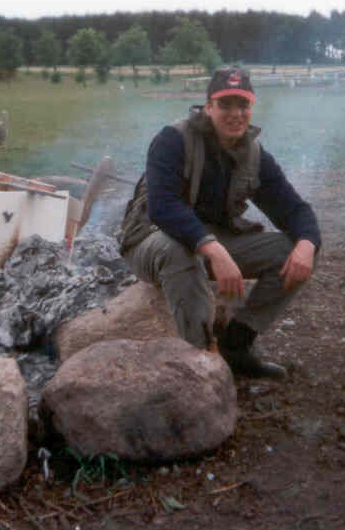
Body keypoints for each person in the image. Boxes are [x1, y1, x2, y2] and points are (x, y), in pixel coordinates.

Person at [117, 67, 321, 378]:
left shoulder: (255, 155)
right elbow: (162, 207)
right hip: (149, 240)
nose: (236, 114)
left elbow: (295, 210)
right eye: (225, 104)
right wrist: (212, 248)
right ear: (208, 106)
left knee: (292, 249)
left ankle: (237, 344)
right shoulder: (173, 139)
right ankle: (201, 362)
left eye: (243, 105)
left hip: (208, 244)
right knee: (178, 251)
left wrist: (307, 244)